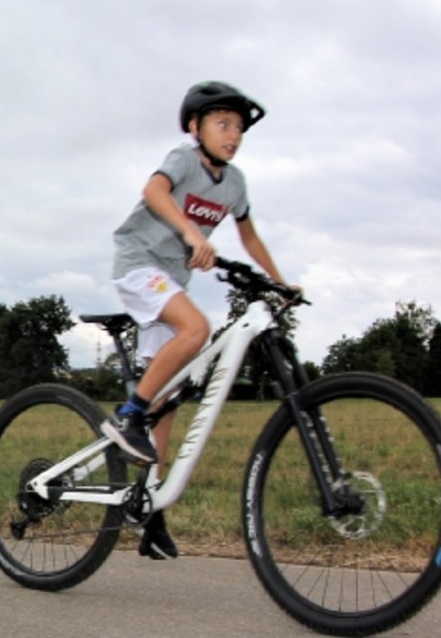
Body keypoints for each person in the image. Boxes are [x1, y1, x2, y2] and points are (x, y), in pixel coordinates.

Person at [101, 80, 299, 561]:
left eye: (239, 128)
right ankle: (127, 418)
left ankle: (149, 507)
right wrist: (191, 234)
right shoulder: (184, 158)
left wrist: (280, 283)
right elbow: (153, 191)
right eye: (223, 123)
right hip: (139, 264)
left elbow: (250, 239)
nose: (233, 135)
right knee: (197, 330)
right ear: (197, 126)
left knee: (166, 401)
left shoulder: (235, 183)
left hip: (172, 282)